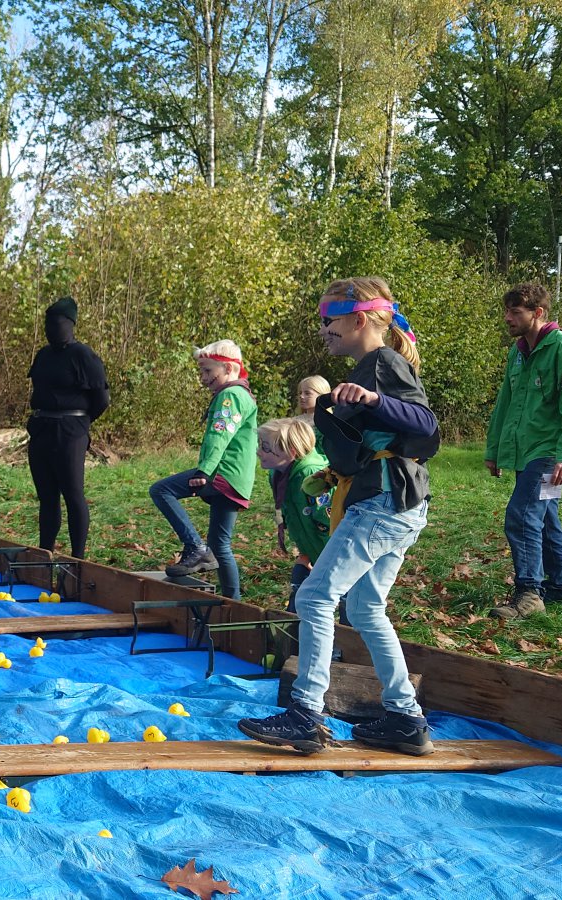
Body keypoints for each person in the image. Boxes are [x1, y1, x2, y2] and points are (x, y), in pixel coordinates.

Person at [239, 277, 441, 757]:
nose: (323, 330)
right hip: (398, 504)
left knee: (313, 596)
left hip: (384, 502)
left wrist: (374, 401)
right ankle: (406, 720)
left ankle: (306, 713)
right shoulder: (368, 367)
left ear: (358, 319)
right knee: (366, 608)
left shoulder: (382, 362)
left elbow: (426, 425)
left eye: (328, 321)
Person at [486, 282, 562, 620]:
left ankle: (530, 593)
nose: (507, 318)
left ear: (538, 313)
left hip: (550, 453)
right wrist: (494, 449)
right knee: (545, 520)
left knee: (521, 515)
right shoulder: (516, 354)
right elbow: (505, 404)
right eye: (507, 311)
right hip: (524, 451)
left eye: (515, 312)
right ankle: (560, 592)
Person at [148, 340, 257, 600]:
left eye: (209, 371)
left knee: (161, 490)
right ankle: (233, 603)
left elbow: (219, 437)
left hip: (222, 472)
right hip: (237, 477)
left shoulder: (229, 396)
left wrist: (204, 471)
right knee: (220, 546)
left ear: (229, 368)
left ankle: (195, 546)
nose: (203, 378)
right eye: (202, 372)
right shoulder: (242, 393)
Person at [26, 296, 109, 559]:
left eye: (58, 323)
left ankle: (77, 558)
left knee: (73, 494)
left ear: (70, 324)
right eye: (48, 323)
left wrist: (79, 424)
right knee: (47, 497)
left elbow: (101, 399)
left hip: (70, 430)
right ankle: (45, 553)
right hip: (41, 429)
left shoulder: (83, 355)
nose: (52, 328)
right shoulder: (43, 355)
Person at [254, 416, 340, 620]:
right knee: (299, 593)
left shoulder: (310, 475)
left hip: (332, 554)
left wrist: (325, 560)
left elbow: (328, 521)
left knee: (343, 601)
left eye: (266, 448)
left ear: (291, 451)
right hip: (311, 550)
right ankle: (295, 642)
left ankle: (348, 645)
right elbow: (294, 516)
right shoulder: (277, 473)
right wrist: (305, 553)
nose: (259, 452)